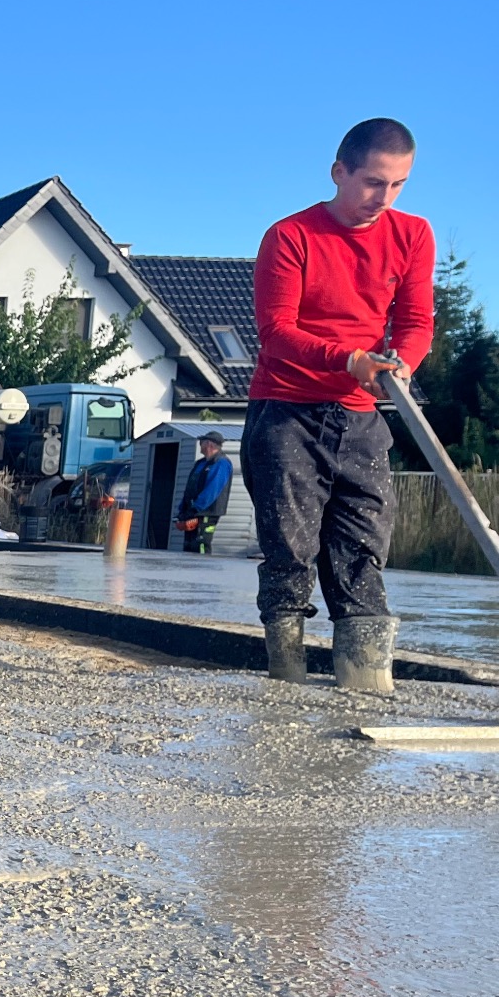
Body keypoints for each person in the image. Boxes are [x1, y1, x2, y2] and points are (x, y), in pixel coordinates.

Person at [247, 117, 434, 692]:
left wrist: (401, 362)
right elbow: (276, 330)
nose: (384, 198)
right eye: (374, 182)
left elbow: (416, 322)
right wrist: (348, 358)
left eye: (398, 184)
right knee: (291, 547)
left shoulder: (413, 235)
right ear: (339, 172)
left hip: (359, 414)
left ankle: (365, 684)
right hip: (287, 410)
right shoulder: (291, 236)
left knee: (362, 545)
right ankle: (287, 683)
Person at [174, 433, 233, 554]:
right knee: (188, 546)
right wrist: (183, 509)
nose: (200, 445)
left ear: (209, 444)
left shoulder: (221, 463)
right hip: (192, 511)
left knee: (200, 544)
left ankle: (201, 572)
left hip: (206, 513)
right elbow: (190, 488)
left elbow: (212, 490)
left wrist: (196, 508)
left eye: (202, 442)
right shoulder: (200, 463)